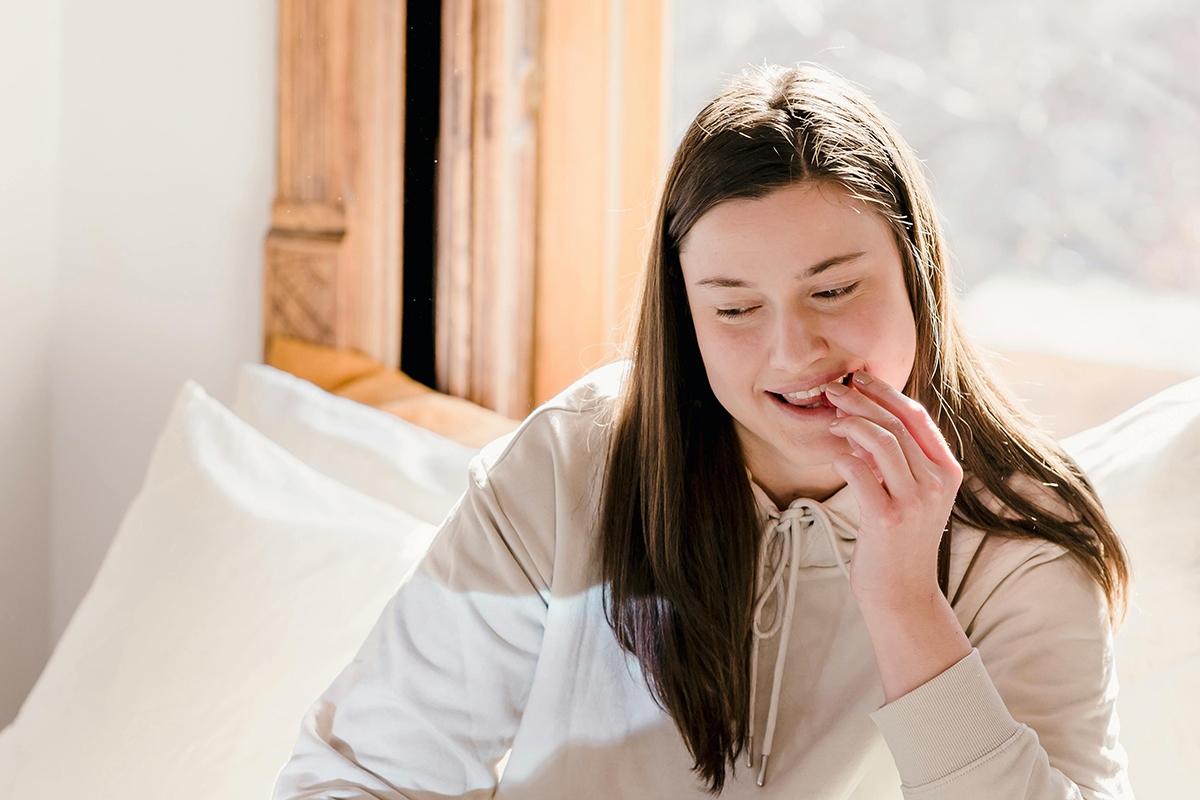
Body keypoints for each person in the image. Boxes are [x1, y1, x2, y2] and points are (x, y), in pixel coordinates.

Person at [271, 63, 1133, 799]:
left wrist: (904, 599)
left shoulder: (1026, 540)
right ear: (685, 319)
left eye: (833, 291)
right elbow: (356, 775)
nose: (794, 353)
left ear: (920, 277)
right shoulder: (574, 466)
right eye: (735, 308)